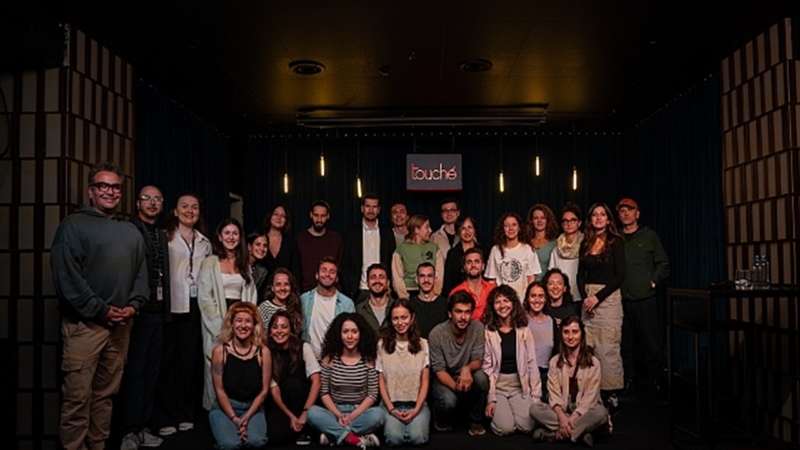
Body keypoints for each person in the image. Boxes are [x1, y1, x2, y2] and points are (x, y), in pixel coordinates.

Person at [51, 161, 148, 450]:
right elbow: (68, 279)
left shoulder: (131, 231)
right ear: (90, 191)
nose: (110, 191)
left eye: (115, 187)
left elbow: (142, 276)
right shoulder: (72, 226)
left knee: (105, 398)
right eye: (103, 186)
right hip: (84, 327)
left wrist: (133, 307)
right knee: (77, 400)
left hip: (120, 327)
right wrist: (101, 310)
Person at [117, 185, 171, 450]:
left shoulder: (161, 235)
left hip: (158, 312)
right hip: (136, 313)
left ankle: (142, 426)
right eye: (147, 198)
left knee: (151, 373)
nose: (152, 203)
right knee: (134, 374)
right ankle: (127, 430)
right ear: (137, 203)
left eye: (157, 199)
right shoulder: (129, 230)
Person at [155, 192, 212, 436]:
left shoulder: (205, 242)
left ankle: (185, 413)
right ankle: (166, 415)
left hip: (194, 306)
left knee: (188, 363)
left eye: (194, 207)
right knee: (166, 362)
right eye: (185, 206)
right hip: (170, 306)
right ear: (175, 211)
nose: (190, 211)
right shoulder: (165, 237)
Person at [198, 218, 258, 410]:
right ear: (219, 237)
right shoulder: (210, 262)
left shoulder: (244, 263)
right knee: (216, 366)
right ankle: (215, 411)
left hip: (241, 321)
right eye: (227, 233)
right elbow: (205, 298)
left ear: (240, 238)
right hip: (217, 321)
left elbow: (251, 295)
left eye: (235, 233)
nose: (231, 237)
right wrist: (221, 329)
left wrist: (245, 323)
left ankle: (238, 409)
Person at [617, 198, 670, 397]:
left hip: (645, 299)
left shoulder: (649, 236)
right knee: (625, 344)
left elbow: (663, 264)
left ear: (637, 213)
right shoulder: (615, 238)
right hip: (622, 300)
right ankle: (628, 381)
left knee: (650, 343)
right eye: (622, 210)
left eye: (629, 210)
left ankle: (657, 381)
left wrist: (653, 281)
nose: (626, 213)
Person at [529, 316, 609, 447]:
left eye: (575, 332)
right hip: (563, 412)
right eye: (566, 332)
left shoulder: (593, 363)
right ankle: (580, 433)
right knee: (535, 409)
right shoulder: (554, 362)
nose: (570, 337)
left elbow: (590, 397)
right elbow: (554, 394)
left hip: (584, 412)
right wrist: (562, 418)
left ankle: (556, 435)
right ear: (561, 335)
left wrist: (573, 418)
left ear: (581, 334)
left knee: (601, 413)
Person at [307, 313, 384, 448]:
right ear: (339, 334)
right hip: (335, 411)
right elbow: (324, 393)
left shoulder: (369, 359)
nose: (349, 336)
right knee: (312, 412)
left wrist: (352, 416)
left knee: (379, 415)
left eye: (354, 332)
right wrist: (338, 415)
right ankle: (353, 438)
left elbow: (372, 394)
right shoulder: (329, 359)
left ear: (361, 334)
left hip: (360, 411)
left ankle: (333, 435)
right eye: (345, 332)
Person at [578, 203, 626, 410]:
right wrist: (585, 299)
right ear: (590, 220)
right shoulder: (585, 242)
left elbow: (621, 275)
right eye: (594, 215)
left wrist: (597, 298)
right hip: (588, 299)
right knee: (589, 346)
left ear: (608, 219)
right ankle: (592, 394)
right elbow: (580, 275)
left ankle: (611, 394)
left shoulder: (616, 241)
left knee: (608, 348)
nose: (598, 218)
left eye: (602, 214)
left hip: (608, 298)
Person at [209, 302, 271, 450]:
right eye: (239, 321)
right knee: (230, 444)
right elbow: (219, 390)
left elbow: (264, 390)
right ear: (231, 324)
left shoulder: (263, 352)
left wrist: (247, 417)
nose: (243, 325)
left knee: (257, 441)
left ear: (254, 325)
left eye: (248, 321)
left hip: (253, 407)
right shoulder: (220, 351)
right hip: (226, 407)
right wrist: (235, 419)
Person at [481, 285, 542, 436]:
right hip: (498, 387)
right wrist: (491, 398)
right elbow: (487, 368)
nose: (502, 305)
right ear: (492, 306)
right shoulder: (488, 332)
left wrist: (536, 398)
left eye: (506, 300)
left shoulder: (524, 331)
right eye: (498, 302)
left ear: (513, 303)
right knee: (506, 428)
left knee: (528, 427)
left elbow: (532, 365)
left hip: (519, 387)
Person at [427, 291, 489, 436]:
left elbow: (478, 360)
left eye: (467, 312)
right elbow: (439, 370)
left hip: (466, 375)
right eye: (458, 312)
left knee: (481, 378)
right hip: (444, 377)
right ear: (450, 313)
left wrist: (467, 369)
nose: (463, 317)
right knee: (449, 400)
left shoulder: (477, 328)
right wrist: (457, 388)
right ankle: (441, 418)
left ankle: (475, 420)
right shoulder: (436, 334)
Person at [377, 299, 431, 446]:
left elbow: (425, 382)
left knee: (418, 438)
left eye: (404, 317)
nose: (400, 322)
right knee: (394, 439)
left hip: (416, 404)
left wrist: (416, 410)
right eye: (395, 318)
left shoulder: (423, 344)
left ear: (412, 318)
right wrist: (391, 409)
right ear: (391, 321)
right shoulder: (382, 345)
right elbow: (381, 381)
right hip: (391, 404)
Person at [265, 311, 321, 446]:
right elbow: (274, 390)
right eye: (275, 327)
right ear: (270, 332)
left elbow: (317, 381)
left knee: (292, 385)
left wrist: (305, 413)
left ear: (291, 330)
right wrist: (290, 416)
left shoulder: (304, 347)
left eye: (284, 327)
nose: (279, 331)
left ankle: (306, 430)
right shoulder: (267, 352)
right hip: (281, 403)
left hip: (303, 400)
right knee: (276, 436)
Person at [341, 193, 397, 303]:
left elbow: (392, 261)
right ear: (362, 208)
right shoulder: (351, 233)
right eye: (367, 206)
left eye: (374, 207)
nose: (371, 210)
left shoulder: (387, 232)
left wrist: (389, 285)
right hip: (359, 291)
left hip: (383, 289)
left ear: (379, 210)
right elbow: (345, 263)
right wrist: (349, 289)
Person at [300, 257, 355, 359]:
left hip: (336, 358)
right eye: (324, 270)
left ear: (337, 278)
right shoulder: (304, 300)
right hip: (308, 358)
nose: (327, 274)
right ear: (317, 275)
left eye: (332, 272)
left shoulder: (347, 304)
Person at [484, 212, 541, 301]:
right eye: (507, 225)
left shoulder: (527, 249)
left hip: (522, 300)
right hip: (502, 301)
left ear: (519, 228)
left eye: (514, 225)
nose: (511, 228)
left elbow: (531, 279)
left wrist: (527, 300)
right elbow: (492, 280)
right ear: (502, 229)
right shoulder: (495, 250)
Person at [392, 214, 445, 299]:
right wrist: (404, 298)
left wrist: (434, 295)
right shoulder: (401, 250)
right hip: (409, 292)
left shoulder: (434, 248)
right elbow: (397, 277)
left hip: (431, 292)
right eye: (427, 227)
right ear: (416, 230)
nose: (430, 230)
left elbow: (439, 274)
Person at [295, 200, 344, 292]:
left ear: (328, 216)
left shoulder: (336, 239)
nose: (319, 220)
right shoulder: (299, 239)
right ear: (311, 215)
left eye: (323, 216)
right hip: (306, 291)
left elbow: (340, 266)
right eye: (316, 215)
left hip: (331, 291)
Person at [523, 281, 558, 402]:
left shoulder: (551, 322)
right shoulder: (521, 321)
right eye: (533, 296)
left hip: (546, 375)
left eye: (541, 296)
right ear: (527, 299)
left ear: (545, 299)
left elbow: (556, 352)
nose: (537, 300)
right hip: (525, 374)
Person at [549, 202, 584, 305]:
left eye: (573, 220)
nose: (569, 224)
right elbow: (552, 274)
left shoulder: (586, 246)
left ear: (579, 223)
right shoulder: (556, 250)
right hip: (561, 297)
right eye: (565, 221)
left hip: (582, 295)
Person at [450, 248, 496, 321]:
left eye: (477, 261)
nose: (473, 265)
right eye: (469, 262)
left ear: (483, 266)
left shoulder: (493, 289)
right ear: (464, 267)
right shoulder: (456, 292)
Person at [442, 215, 482, 296]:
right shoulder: (452, 254)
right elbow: (448, 282)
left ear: (474, 230)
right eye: (463, 228)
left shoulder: (484, 251)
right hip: (458, 297)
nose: (467, 232)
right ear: (458, 232)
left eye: (470, 227)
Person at [258, 268, 304, 336]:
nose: (282, 288)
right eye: (278, 284)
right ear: (272, 288)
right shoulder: (263, 308)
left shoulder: (296, 306)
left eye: (286, 284)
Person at [262, 205, 302, 282]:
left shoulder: (291, 242)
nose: (279, 217)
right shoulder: (260, 240)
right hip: (260, 288)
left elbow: (296, 271)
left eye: (283, 216)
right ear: (269, 216)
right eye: (276, 214)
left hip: (284, 287)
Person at [409, 263, 448, 339]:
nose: (426, 280)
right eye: (422, 276)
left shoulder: (445, 304)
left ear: (435, 279)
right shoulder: (410, 305)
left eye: (429, 276)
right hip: (416, 345)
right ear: (417, 280)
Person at [356, 263, 395, 333]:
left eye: (381, 277)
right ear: (367, 283)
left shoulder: (397, 307)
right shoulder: (359, 310)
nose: (377, 281)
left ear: (388, 283)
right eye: (373, 277)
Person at [525, 204, 559, 280]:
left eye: (543, 218)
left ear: (548, 220)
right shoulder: (525, 243)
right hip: (527, 284)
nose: (539, 221)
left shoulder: (555, 243)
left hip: (546, 284)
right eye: (536, 218)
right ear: (531, 221)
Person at [247, 233, 269, 301]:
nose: (262, 248)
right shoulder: (236, 264)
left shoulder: (262, 271)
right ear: (249, 246)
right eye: (258, 244)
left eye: (265, 246)